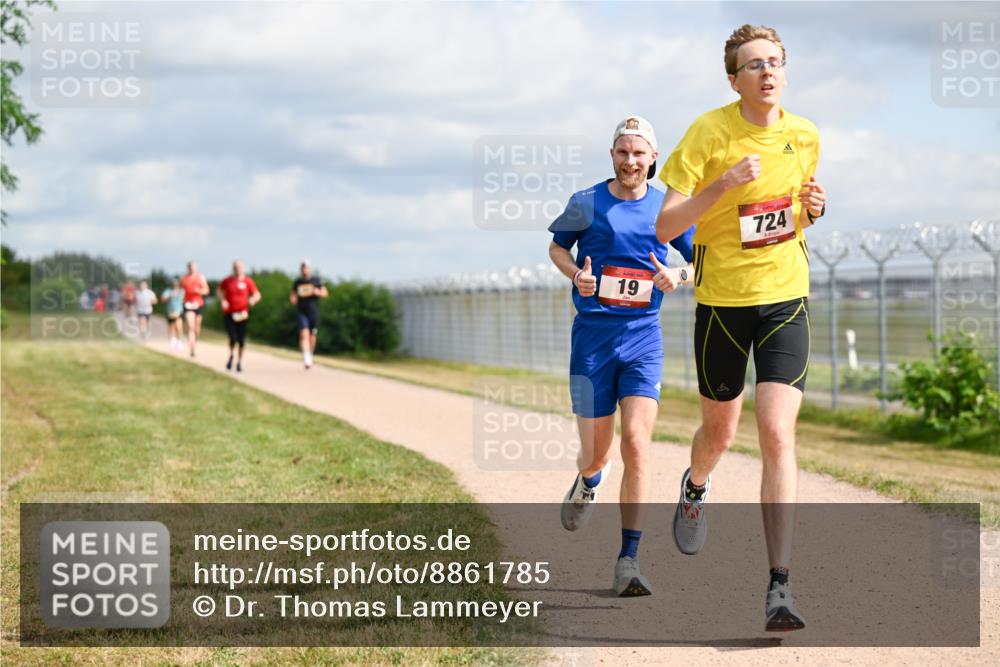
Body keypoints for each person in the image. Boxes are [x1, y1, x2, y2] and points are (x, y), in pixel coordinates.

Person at [654, 24, 827, 631]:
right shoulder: (709, 132)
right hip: (723, 305)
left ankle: (780, 586)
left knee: (777, 434)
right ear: (734, 79)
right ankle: (696, 485)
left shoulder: (804, 134)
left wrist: (812, 207)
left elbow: (797, 210)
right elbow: (665, 224)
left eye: (775, 62)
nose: (767, 72)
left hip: (785, 298)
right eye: (753, 65)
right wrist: (723, 186)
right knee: (719, 434)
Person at [549, 116, 694, 597]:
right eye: (622, 152)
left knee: (636, 441)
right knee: (598, 451)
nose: (630, 161)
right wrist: (576, 276)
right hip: (592, 336)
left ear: (654, 157)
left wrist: (680, 276)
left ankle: (629, 559)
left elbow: (700, 260)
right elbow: (556, 247)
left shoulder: (666, 206)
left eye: (639, 153)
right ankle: (589, 480)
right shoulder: (586, 202)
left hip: (642, 338)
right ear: (612, 155)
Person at [217, 260, 261, 372]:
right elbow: (219, 291)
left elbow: (257, 294)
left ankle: (240, 362)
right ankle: (231, 355)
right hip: (230, 313)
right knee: (232, 337)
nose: (238, 269)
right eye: (236, 267)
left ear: (243, 268)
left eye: (240, 267)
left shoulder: (248, 281)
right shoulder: (227, 280)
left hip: (243, 313)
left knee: (241, 339)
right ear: (233, 268)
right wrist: (223, 301)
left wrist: (253, 300)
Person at [289, 260, 328, 369]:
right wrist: (293, 299)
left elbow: (325, 293)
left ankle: (310, 355)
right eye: (302, 267)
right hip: (302, 312)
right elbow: (292, 295)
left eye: (306, 267)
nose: (304, 269)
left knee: (312, 335)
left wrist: (318, 292)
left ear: (309, 269)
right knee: (303, 334)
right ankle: (306, 358)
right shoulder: (298, 282)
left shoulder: (316, 281)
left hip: (313, 312)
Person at [180, 261, 210, 357]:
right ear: (188, 268)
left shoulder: (200, 277)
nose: (192, 269)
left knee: (197, 328)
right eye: (190, 267)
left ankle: (195, 342)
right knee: (191, 327)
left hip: (198, 304)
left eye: (194, 267)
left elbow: (206, 290)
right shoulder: (184, 278)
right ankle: (192, 348)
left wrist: (199, 291)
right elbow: (180, 290)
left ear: (196, 268)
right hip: (187, 304)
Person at [161, 278, 185, 350]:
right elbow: (162, 299)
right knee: (171, 327)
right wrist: (170, 297)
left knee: (179, 326)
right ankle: (172, 340)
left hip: (179, 311)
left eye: (176, 284)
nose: (175, 285)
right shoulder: (168, 291)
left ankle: (179, 341)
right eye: (173, 284)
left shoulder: (181, 291)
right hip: (170, 311)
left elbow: (185, 298)